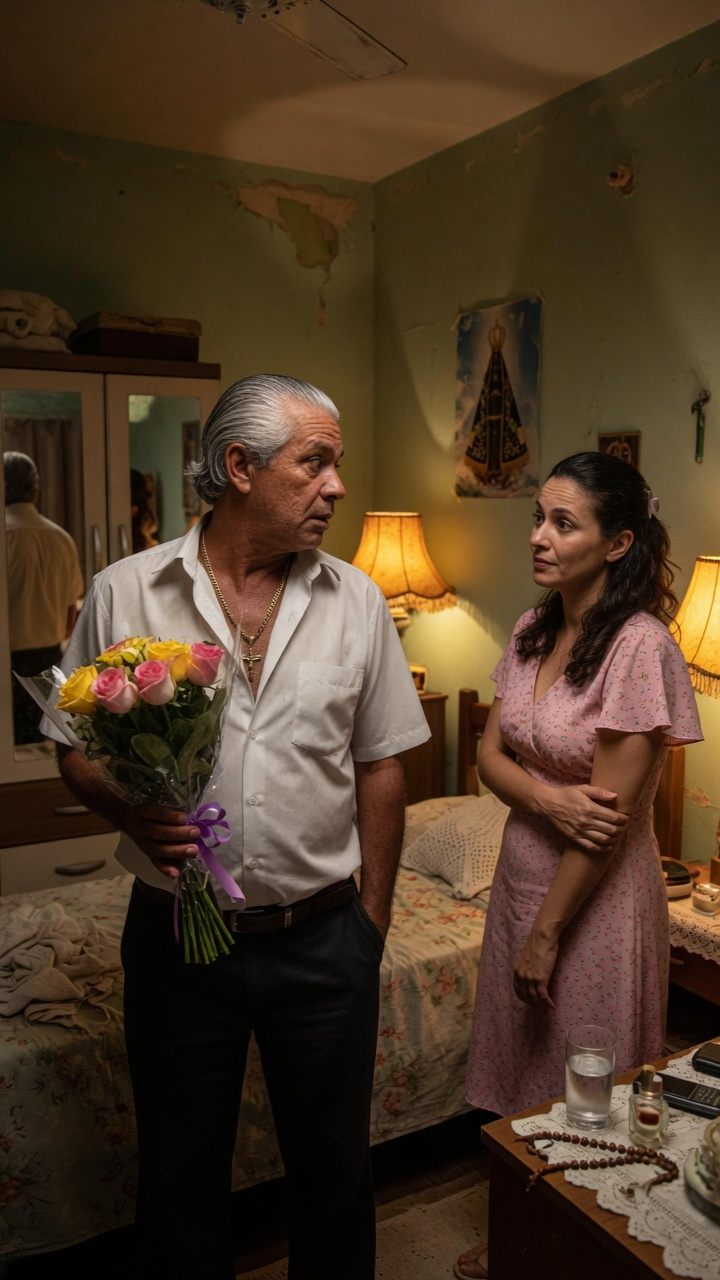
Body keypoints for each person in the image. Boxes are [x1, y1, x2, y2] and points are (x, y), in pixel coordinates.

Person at [50, 373, 430, 1280]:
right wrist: (128, 811)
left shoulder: (359, 602)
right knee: (179, 1175)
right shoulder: (126, 591)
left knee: (334, 1174)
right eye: (316, 463)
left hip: (323, 939)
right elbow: (69, 746)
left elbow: (382, 763)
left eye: (336, 463)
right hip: (178, 939)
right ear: (239, 467)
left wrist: (371, 921)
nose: (338, 486)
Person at [454, 451, 702, 1280]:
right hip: (521, 875)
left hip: (591, 898)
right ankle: (525, 1231)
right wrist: (547, 799)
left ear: (618, 542)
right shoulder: (533, 628)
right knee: (524, 1062)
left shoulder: (640, 648)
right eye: (539, 517)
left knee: (585, 1074)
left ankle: (582, 1247)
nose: (539, 536)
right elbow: (487, 756)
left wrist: (548, 933)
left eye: (564, 523)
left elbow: (605, 823)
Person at [4, 450, 84, 743]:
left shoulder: (5, 535)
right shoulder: (61, 538)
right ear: (35, 488)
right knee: (45, 746)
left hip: (8, 658)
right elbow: (70, 613)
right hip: (49, 661)